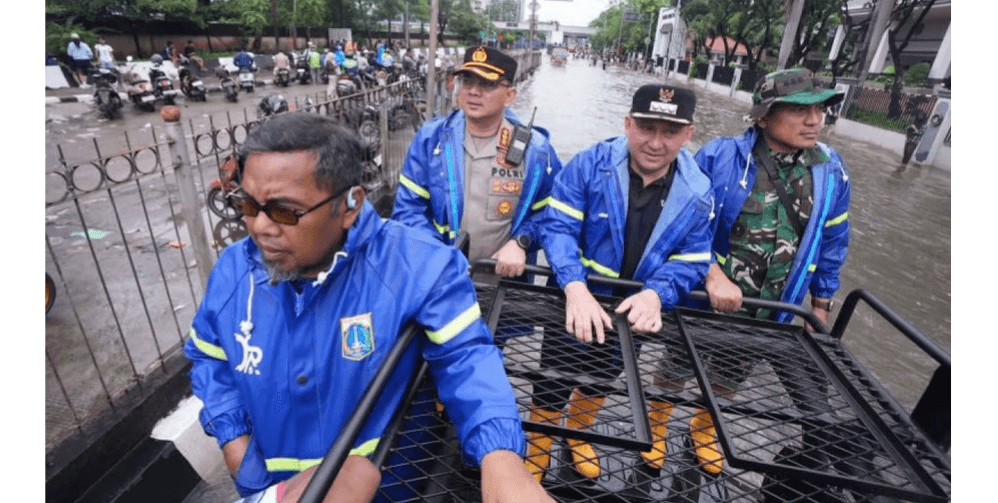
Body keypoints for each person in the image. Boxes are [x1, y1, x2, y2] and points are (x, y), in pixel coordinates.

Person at [185, 114, 554, 503]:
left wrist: (501, 459)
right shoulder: (233, 269)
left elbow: (466, 357)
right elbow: (209, 357)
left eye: (283, 211)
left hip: (384, 488)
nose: (259, 227)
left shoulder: (417, 265)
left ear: (350, 204)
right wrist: (234, 443)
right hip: (269, 486)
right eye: (246, 203)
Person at [528, 84, 713, 481]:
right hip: (574, 297)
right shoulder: (588, 164)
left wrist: (656, 294)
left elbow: (694, 259)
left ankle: (577, 433)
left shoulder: (698, 191)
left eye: (669, 132)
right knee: (553, 372)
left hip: (633, 310)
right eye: (646, 128)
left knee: (603, 375)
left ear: (688, 135)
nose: (655, 143)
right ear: (628, 124)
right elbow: (557, 228)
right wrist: (574, 287)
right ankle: (540, 441)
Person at [691, 68, 850, 472]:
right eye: (800, 111)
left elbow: (833, 240)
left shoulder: (830, 171)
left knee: (732, 374)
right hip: (702, 297)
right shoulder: (720, 156)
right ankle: (658, 421)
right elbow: (681, 225)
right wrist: (710, 273)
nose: (815, 121)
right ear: (763, 116)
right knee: (677, 364)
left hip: (772, 305)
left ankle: (703, 429)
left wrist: (822, 302)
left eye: (820, 110)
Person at [391, 45, 562, 281]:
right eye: (468, 82)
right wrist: (437, 254)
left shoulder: (536, 152)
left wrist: (522, 241)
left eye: (487, 84)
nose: (473, 91)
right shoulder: (431, 140)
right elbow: (408, 209)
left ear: (510, 95)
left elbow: (554, 213)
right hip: (438, 280)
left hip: (505, 289)